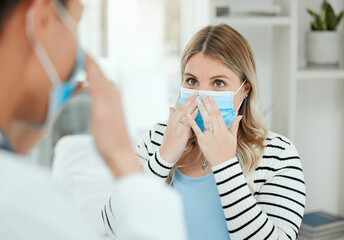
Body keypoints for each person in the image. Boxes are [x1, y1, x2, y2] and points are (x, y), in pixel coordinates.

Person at [0, 0, 186, 239]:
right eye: (75, 25)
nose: (79, 52)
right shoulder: (27, 205)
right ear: (42, 20)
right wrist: (123, 159)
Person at [104, 24, 306, 240]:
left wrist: (225, 164)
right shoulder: (158, 138)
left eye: (218, 83)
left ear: (245, 89)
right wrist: (164, 156)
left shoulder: (278, 155)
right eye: (192, 81)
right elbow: (113, 228)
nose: (202, 95)